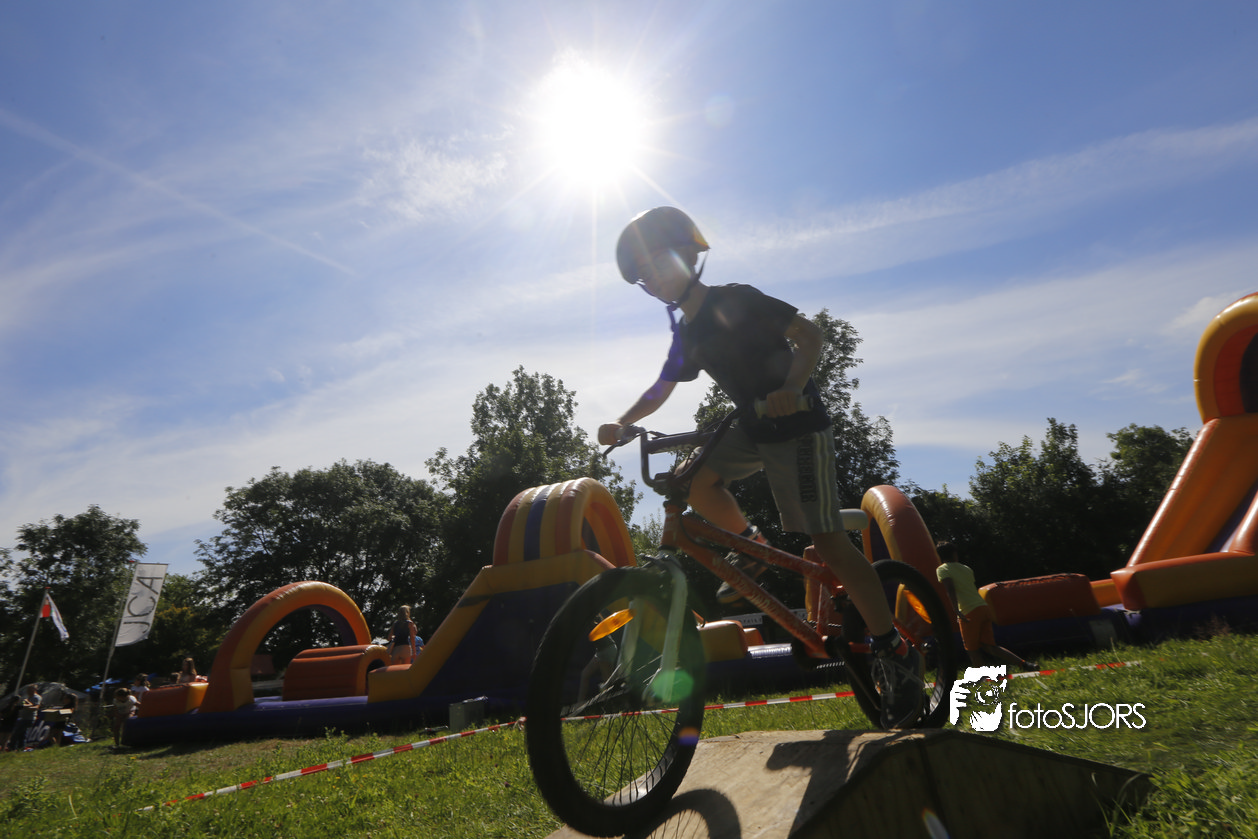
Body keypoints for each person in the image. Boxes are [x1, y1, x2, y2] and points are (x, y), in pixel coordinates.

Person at [599, 206, 923, 729]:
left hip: (798, 424)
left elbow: (810, 335)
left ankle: (895, 652)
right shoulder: (689, 333)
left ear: (689, 256)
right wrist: (622, 422)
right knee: (690, 480)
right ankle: (752, 547)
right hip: (751, 427)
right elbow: (661, 387)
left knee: (828, 541)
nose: (652, 281)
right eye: (642, 277)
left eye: (656, 264)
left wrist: (792, 387)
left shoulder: (738, 299)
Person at [934, 541, 1039, 672]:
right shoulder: (966, 568)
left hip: (968, 610)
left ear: (940, 556)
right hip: (983, 607)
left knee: (972, 649)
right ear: (955, 554)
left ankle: (981, 676)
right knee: (990, 646)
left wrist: (956, 610)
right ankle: (1025, 664)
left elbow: (950, 589)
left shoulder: (942, 569)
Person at [5, 684, 42, 752]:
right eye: (28, 690)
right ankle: (21, 748)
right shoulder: (28, 697)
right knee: (22, 735)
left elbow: (36, 707)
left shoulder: (36, 697)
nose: (28, 691)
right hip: (23, 718)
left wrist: (25, 707)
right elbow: (25, 703)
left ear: (35, 690)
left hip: (28, 719)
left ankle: (12, 748)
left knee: (16, 733)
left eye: (30, 690)